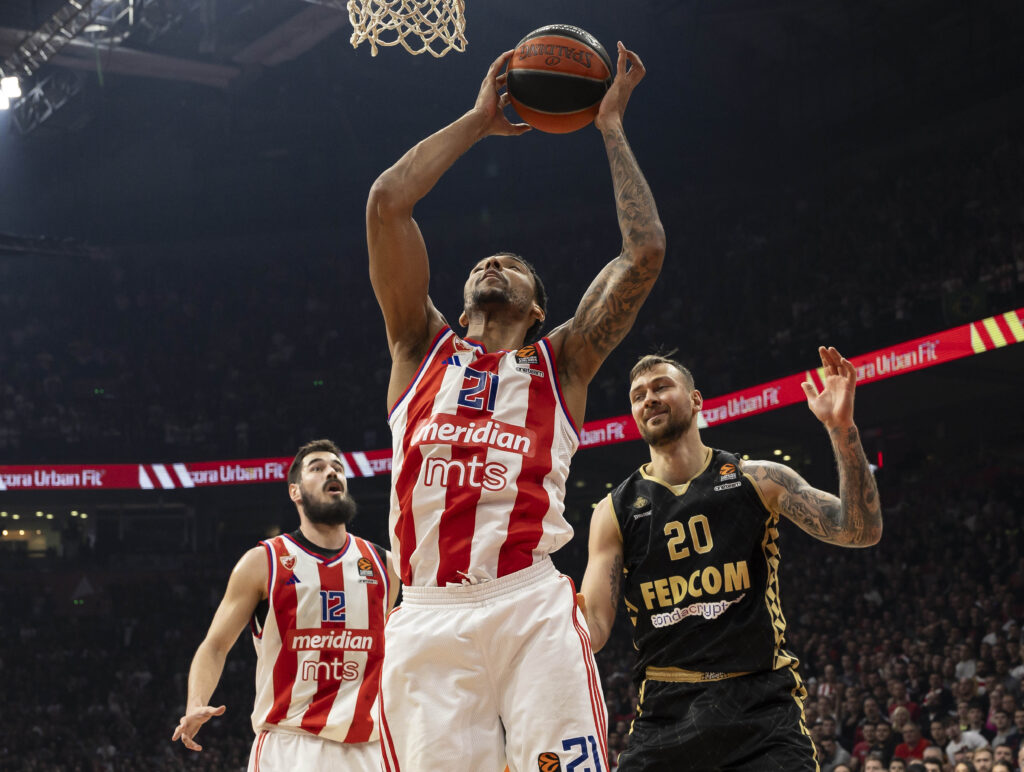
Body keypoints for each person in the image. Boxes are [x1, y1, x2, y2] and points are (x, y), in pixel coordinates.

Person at [365, 41, 665, 772]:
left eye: (512, 266)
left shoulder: (560, 362)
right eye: (480, 264)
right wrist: (476, 121)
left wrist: (611, 128)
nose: (491, 264)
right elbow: (386, 204)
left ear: (538, 310)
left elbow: (644, 252)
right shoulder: (417, 345)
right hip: (427, 613)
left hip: (529, 603)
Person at [580, 346, 882, 770]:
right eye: (637, 394)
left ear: (697, 400)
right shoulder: (613, 512)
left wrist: (841, 429)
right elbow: (591, 629)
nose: (648, 398)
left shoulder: (758, 479)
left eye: (661, 386)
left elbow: (859, 530)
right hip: (668, 713)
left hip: (761, 707)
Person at [172, 439, 400, 771]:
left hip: (367, 749)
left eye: (337, 467)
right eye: (317, 468)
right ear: (295, 491)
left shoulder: (385, 565)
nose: (331, 471)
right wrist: (195, 703)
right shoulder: (263, 562)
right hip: (290, 747)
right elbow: (216, 645)